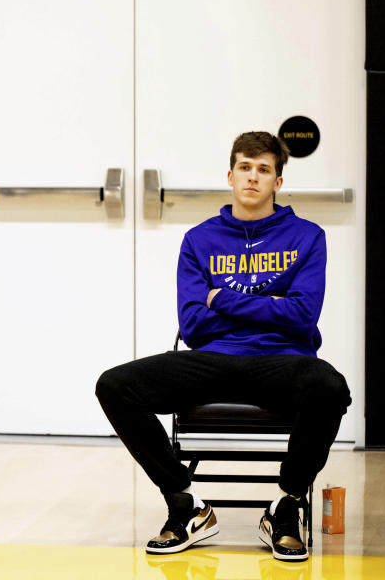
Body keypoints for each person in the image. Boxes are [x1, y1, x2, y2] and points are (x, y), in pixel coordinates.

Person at [96, 131, 351, 562]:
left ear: (278, 182)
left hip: (282, 360)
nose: (253, 177)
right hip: (212, 358)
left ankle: (285, 505)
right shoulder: (200, 239)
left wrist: (223, 298)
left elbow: (303, 316)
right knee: (115, 384)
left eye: (264, 170)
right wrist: (271, 304)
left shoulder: (307, 237)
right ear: (230, 176)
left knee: (329, 386)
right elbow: (194, 325)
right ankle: (184, 502)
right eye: (245, 168)